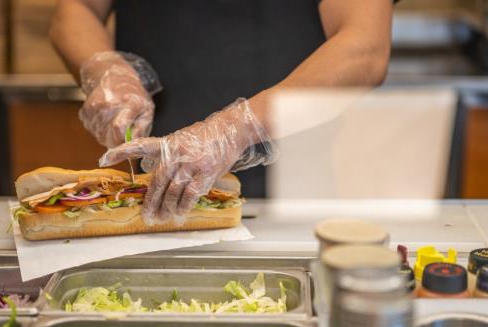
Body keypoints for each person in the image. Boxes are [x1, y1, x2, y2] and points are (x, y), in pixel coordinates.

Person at [50, 0, 394, 225]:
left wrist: (238, 128)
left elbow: (364, 48)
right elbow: (76, 10)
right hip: (151, 186)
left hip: (290, 191)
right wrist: (104, 68)